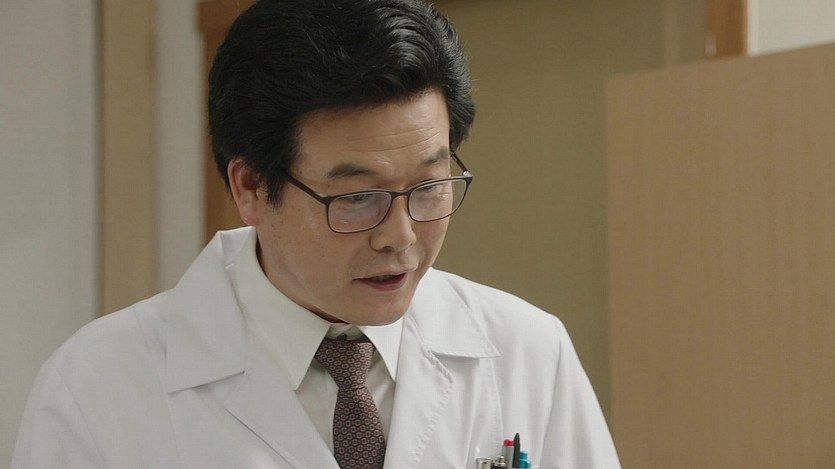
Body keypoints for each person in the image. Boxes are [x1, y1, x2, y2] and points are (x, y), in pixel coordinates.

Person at [12, 0, 620, 467]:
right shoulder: (97, 388)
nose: (401, 237)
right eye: (357, 198)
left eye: (429, 186)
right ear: (251, 186)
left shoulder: (526, 352)